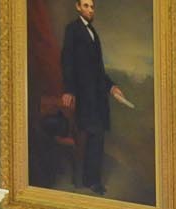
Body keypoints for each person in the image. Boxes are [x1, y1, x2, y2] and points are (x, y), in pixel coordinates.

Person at [60, 0, 130, 195]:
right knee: (93, 135)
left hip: (98, 96)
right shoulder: (73, 30)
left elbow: (98, 70)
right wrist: (68, 90)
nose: (90, 10)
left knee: (97, 137)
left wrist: (112, 87)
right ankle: (91, 180)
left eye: (92, 6)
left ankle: (91, 180)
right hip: (84, 94)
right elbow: (67, 60)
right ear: (77, 7)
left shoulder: (93, 34)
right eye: (86, 6)